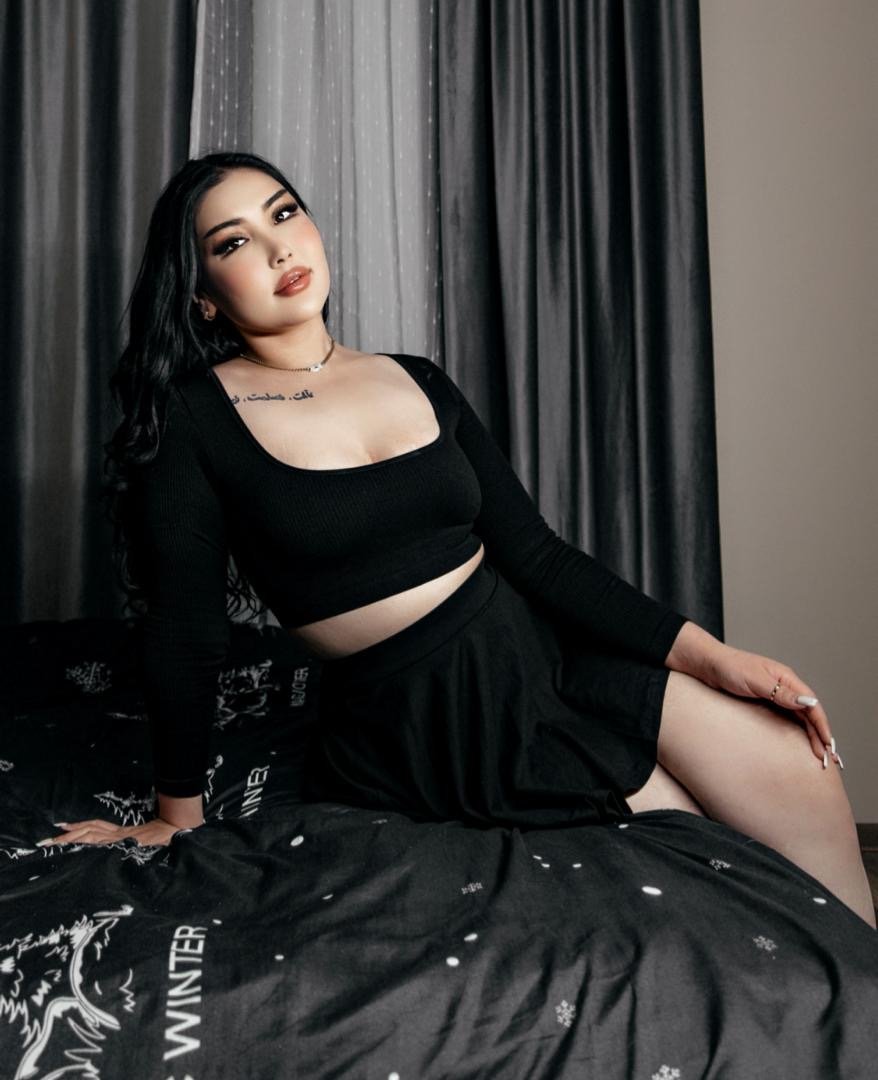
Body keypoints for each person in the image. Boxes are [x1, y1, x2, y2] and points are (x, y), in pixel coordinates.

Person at [42, 151, 873, 929]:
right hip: (421, 719)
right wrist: (175, 815)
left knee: (792, 759)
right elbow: (185, 631)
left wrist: (713, 657)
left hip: (536, 661)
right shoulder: (194, 418)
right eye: (234, 242)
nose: (277, 247)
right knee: (707, 871)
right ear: (203, 297)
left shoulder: (418, 376)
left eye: (284, 213)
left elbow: (539, 556)